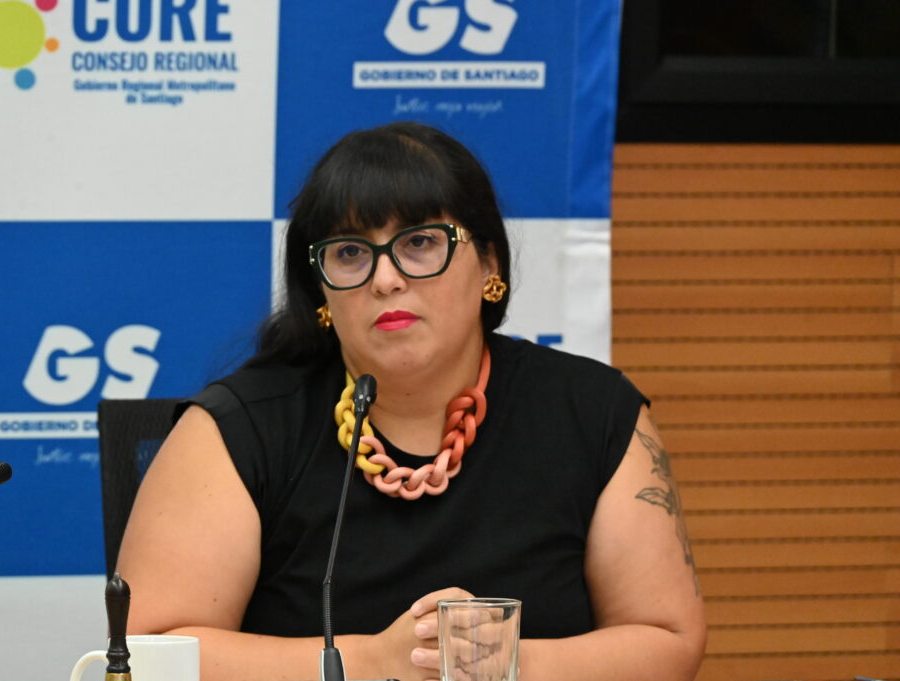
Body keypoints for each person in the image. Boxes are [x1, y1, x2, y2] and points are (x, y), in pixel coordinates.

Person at [118, 122, 706, 681]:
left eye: (420, 242)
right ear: (321, 292)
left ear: (489, 263)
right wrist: (373, 663)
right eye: (350, 253)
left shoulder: (594, 412)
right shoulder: (239, 428)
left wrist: (497, 664)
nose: (385, 279)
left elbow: (668, 641)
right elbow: (143, 656)